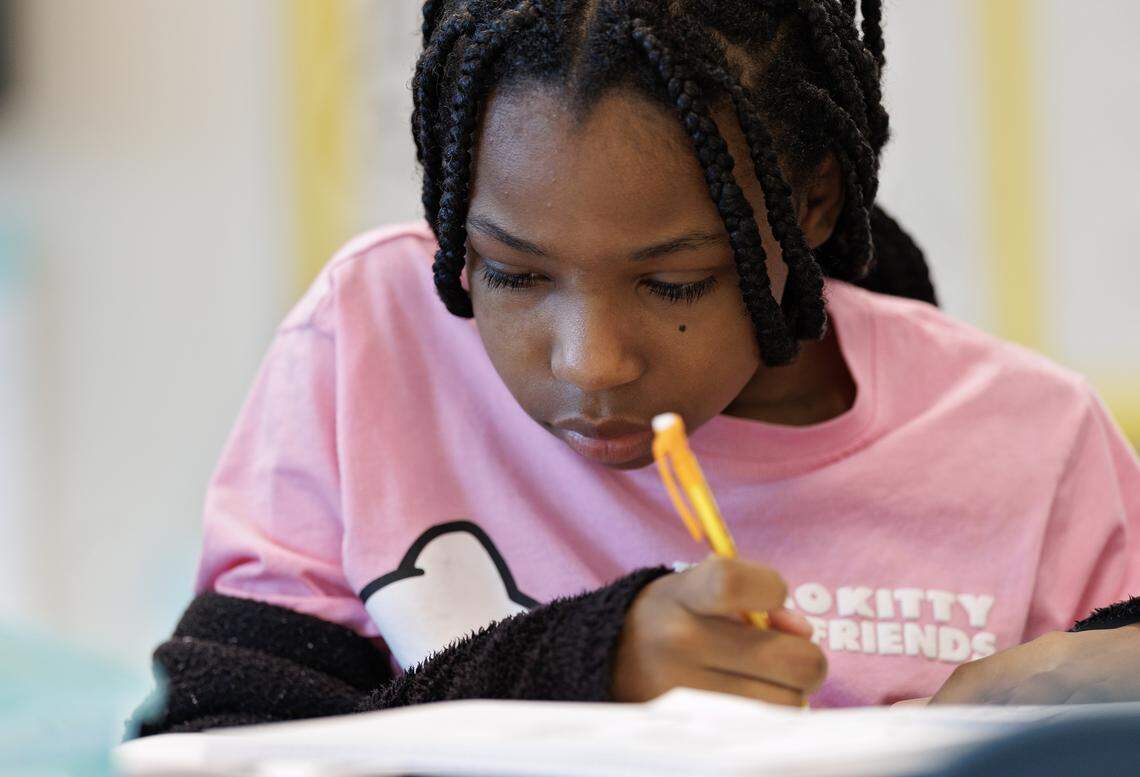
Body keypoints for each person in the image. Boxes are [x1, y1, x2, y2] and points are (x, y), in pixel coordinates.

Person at [136, 0, 1140, 736]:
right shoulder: (373, 343)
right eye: (513, 273)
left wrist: (1038, 703)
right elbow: (214, 746)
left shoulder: (1035, 443)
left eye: (675, 284)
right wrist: (586, 666)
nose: (590, 363)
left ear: (815, 206)